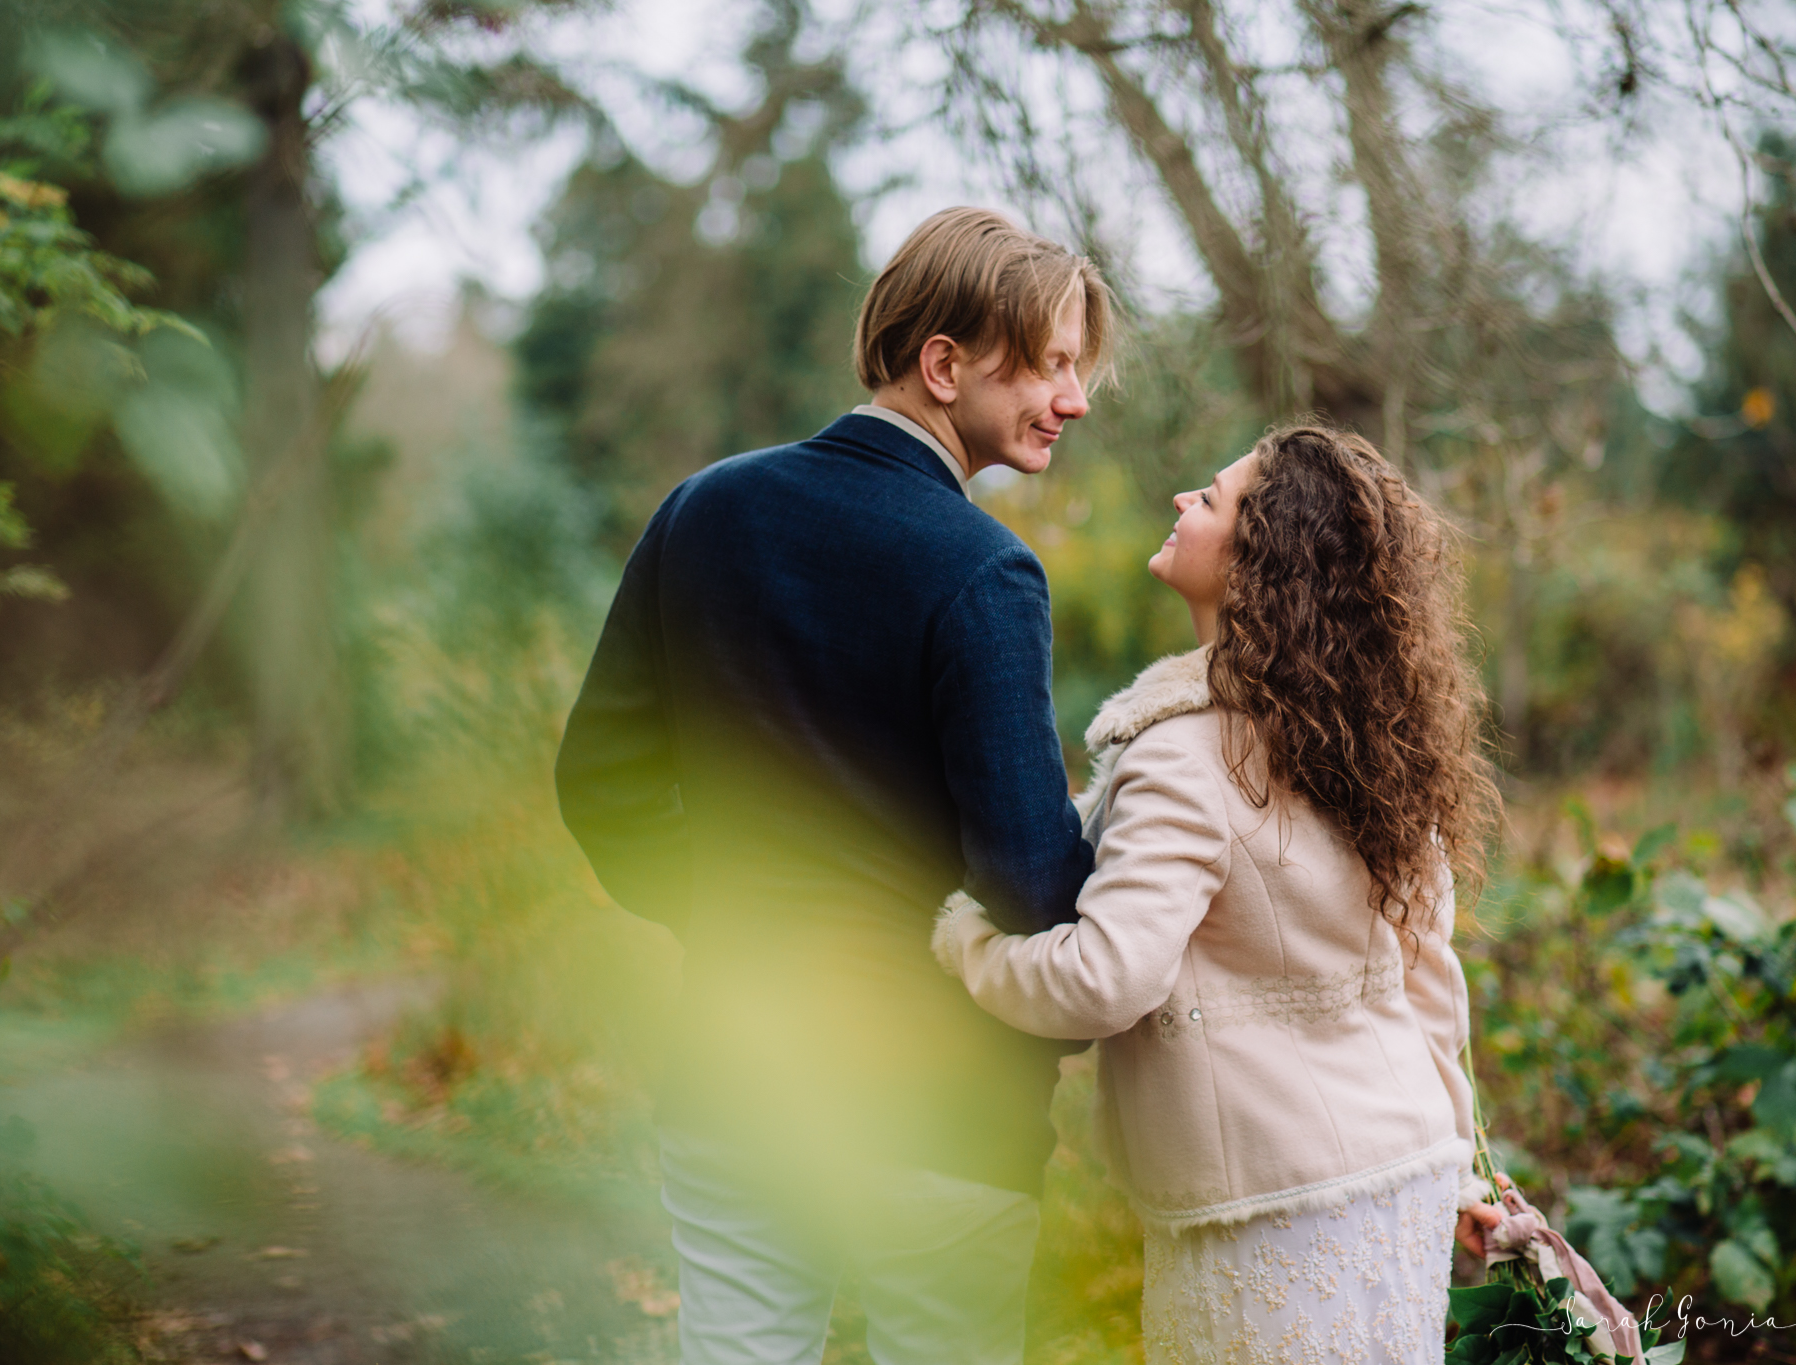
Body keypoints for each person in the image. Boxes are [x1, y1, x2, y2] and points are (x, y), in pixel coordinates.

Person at [555, 207, 1115, 1365]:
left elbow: (598, 781)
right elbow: (1026, 881)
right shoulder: (983, 570)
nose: (1073, 398)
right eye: (1049, 364)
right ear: (944, 363)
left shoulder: (702, 509)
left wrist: (725, 916)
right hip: (939, 1108)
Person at [934, 424, 1507, 1364]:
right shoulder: (1378, 739)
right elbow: (1430, 981)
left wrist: (965, 944)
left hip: (1270, 1214)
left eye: (1208, 499)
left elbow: (1100, 980)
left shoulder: (1182, 750)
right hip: (1402, 1178)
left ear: (1259, 563)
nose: (1179, 503)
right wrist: (1462, 1169)